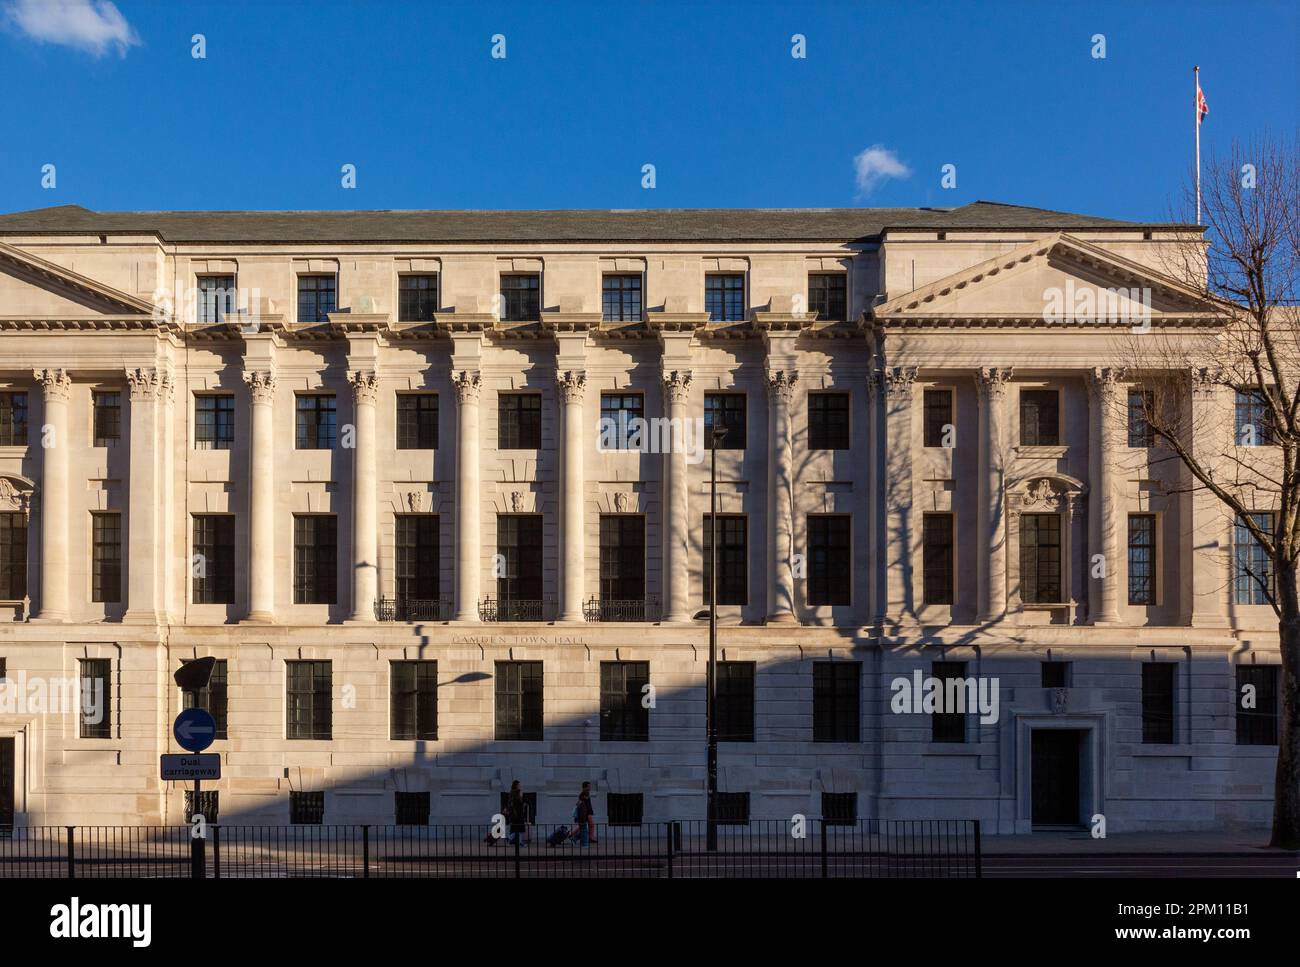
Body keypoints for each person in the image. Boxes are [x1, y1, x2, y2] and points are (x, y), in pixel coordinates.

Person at [506, 780, 529, 847]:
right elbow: (519, 803)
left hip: (514, 814)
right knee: (520, 829)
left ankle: (513, 840)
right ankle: (515, 841)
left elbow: (512, 803)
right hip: (518, 814)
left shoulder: (511, 793)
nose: (520, 786)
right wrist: (522, 801)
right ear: (516, 786)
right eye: (519, 785)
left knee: (516, 829)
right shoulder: (517, 793)